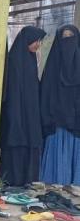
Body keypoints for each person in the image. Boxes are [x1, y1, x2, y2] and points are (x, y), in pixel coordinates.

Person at [0, 26, 46, 187]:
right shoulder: (15, 61)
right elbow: (12, 90)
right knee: (16, 140)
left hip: (29, 111)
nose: (38, 45)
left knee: (29, 141)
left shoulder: (30, 59)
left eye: (39, 41)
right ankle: (12, 179)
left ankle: (27, 180)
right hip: (16, 109)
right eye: (36, 41)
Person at [39, 25, 80, 195]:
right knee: (56, 140)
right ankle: (54, 179)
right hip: (56, 114)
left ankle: (75, 182)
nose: (68, 40)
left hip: (76, 113)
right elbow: (46, 89)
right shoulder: (53, 63)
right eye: (64, 37)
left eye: (71, 36)